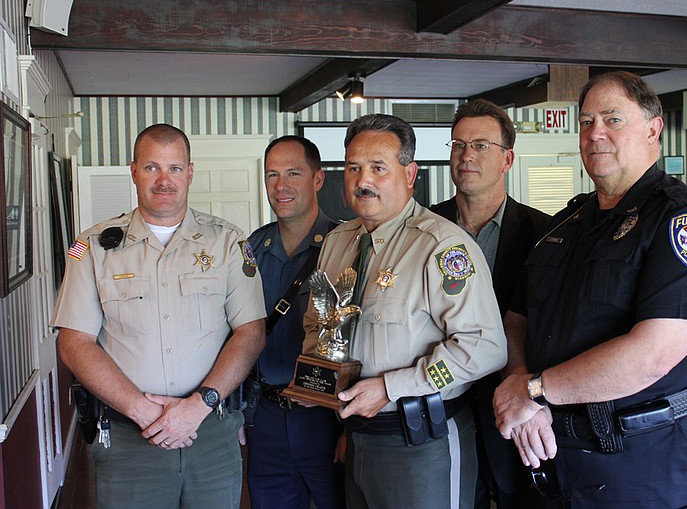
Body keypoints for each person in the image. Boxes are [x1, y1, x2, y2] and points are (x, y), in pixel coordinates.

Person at [493, 72, 687, 508]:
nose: (595, 134)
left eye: (612, 119)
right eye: (586, 122)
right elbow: (517, 320)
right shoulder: (566, 223)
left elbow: (652, 356)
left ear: (653, 129)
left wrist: (534, 390)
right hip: (561, 456)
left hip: (655, 464)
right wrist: (520, 384)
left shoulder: (682, 221)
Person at [52, 123, 267, 509]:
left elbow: (250, 331)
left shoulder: (228, 242)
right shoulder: (94, 248)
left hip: (210, 433)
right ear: (134, 171)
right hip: (130, 439)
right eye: (152, 168)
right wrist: (144, 410)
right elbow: (74, 342)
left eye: (175, 168)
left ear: (191, 172)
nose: (164, 180)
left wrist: (197, 406)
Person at [303, 113, 508, 509]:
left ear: (410, 174)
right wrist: (319, 380)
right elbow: (319, 324)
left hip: (422, 442)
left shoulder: (443, 247)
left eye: (378, 168)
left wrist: (389, 388)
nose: (363, 181)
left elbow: (485, 348)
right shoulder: (336, 243)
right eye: (353, 168)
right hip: (357, 437)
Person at [431, 99, 550, 509]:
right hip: (443, 408)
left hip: (516, 407)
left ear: (508, 158)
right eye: (458, 144)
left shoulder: (546, 233)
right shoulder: (424, 228)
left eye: (481, 145)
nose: (466, 155)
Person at [246, 135, 344, 509]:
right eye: (272, 174)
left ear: (317, 179)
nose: (280, 186)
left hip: (327, 418)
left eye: (293, 173)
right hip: (266, 416)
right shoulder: (253, 248)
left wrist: (352, 429)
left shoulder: (345, 243)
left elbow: (363, 336)